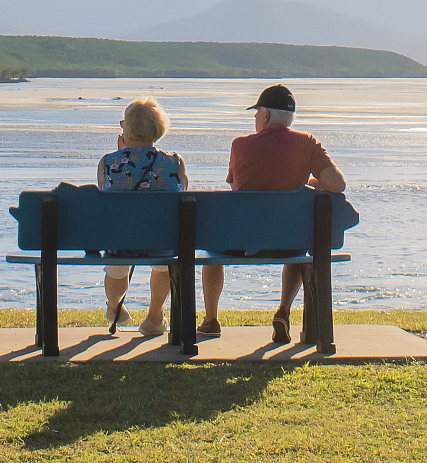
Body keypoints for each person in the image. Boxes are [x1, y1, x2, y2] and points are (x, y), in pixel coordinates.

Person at [199, 83, 347, 344]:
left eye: (256, 113)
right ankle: (283, 310)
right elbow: (338, 184)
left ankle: (211, 320)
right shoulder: (308, 143)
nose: (255, 118)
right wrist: (311, 184)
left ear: (266, 115)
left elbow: (237, 186)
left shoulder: (240, 145)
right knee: (298, 246)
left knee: (212, 252)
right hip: (288, 244)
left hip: (240, 243)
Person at [96, 97, 189, 337]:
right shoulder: (174, 162)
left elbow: (106, 196)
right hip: (163, 243)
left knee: (117, 261)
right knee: (163, 264)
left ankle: (115, 306)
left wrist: (122, 154)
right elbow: (183, 191)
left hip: (120, 243)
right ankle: (155, 317)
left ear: (127, 128)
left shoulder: (108, 162)